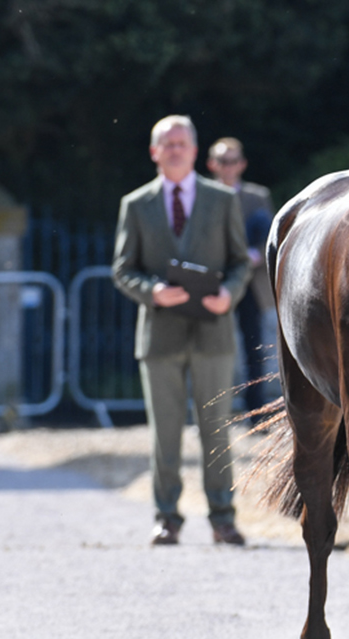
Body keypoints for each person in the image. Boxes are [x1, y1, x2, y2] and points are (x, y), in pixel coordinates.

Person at [113, 116, 252, 546]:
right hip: (159, 336)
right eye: (166, 143)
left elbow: (239, 263)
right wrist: (151, 291)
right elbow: (122, 269)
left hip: (213, 331)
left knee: (216, 430)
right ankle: (167, 517)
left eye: (182, 143)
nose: (175, 149)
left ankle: (223, 518)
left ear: (195, 151)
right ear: (154, 152)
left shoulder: (222, 200)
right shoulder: (135, 204)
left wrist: (229, 294)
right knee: (165, 433)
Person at [206, 137, 275, 427]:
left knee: (252, 347)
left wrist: (255, 256)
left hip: (249, 284)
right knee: (210, 347)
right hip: (213, 282)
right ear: (212, 164)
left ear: (242, 164)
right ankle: (212, 414)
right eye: (223, 160)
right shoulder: (202, 195)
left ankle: (254, 413)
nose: (228, 166)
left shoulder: (257, 196)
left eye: (233, 160)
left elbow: (272, 236)